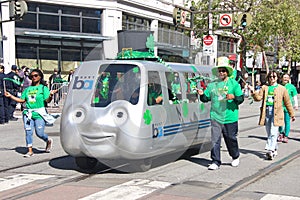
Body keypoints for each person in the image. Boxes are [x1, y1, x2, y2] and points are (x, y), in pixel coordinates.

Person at [197, 57, 244, 170]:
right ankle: (215, 161)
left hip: (230, 117)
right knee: (215, 140)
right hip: (216, 116)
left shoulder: (234, 84)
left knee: (230, 138)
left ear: (227, 72)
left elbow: (241, 99)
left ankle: (235, 156)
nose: (221, 72)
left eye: (224, 70)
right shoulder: (212, 85)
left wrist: (233, 97)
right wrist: (201, 94)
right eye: (220, 70)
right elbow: (205, 98)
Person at [5, 69, 57, 157]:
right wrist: (11, 96)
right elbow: (22, 100)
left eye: (36, 75)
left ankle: (48, 140)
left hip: (39, 113)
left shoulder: (43, 88)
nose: (33, 77)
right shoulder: (27, 89)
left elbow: (47, 100)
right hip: (28, 113)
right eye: (31, 76)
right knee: (28, 132)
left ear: (40, 77)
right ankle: (30, 150)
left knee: (39, 133)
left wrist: (51, 95)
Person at [249, 70, 295, 160]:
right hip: (266, 111)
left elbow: (287, 102)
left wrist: (291, 114)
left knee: (274, 131)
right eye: (270, 77)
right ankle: (275, 147)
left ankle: (270, 150)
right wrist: (253, 93)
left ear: (277, 78)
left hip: (277, 112)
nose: (272, 79)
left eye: (274, 77)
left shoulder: (282, 89)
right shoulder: (265, 87)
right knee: (269, 131)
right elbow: (258, 98)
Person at [277, 73, 298, 143]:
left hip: (288, 106)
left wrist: (296, 105)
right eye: (284, 77)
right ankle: (281, 133)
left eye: (287, 77)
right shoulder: (279, 86)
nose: (285, 79)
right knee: (279, 121)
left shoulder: (292, 87)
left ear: (289, 79)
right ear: (282, 78)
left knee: (287, 121)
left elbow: (295, 96)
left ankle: (286, 135)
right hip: (280, 106)